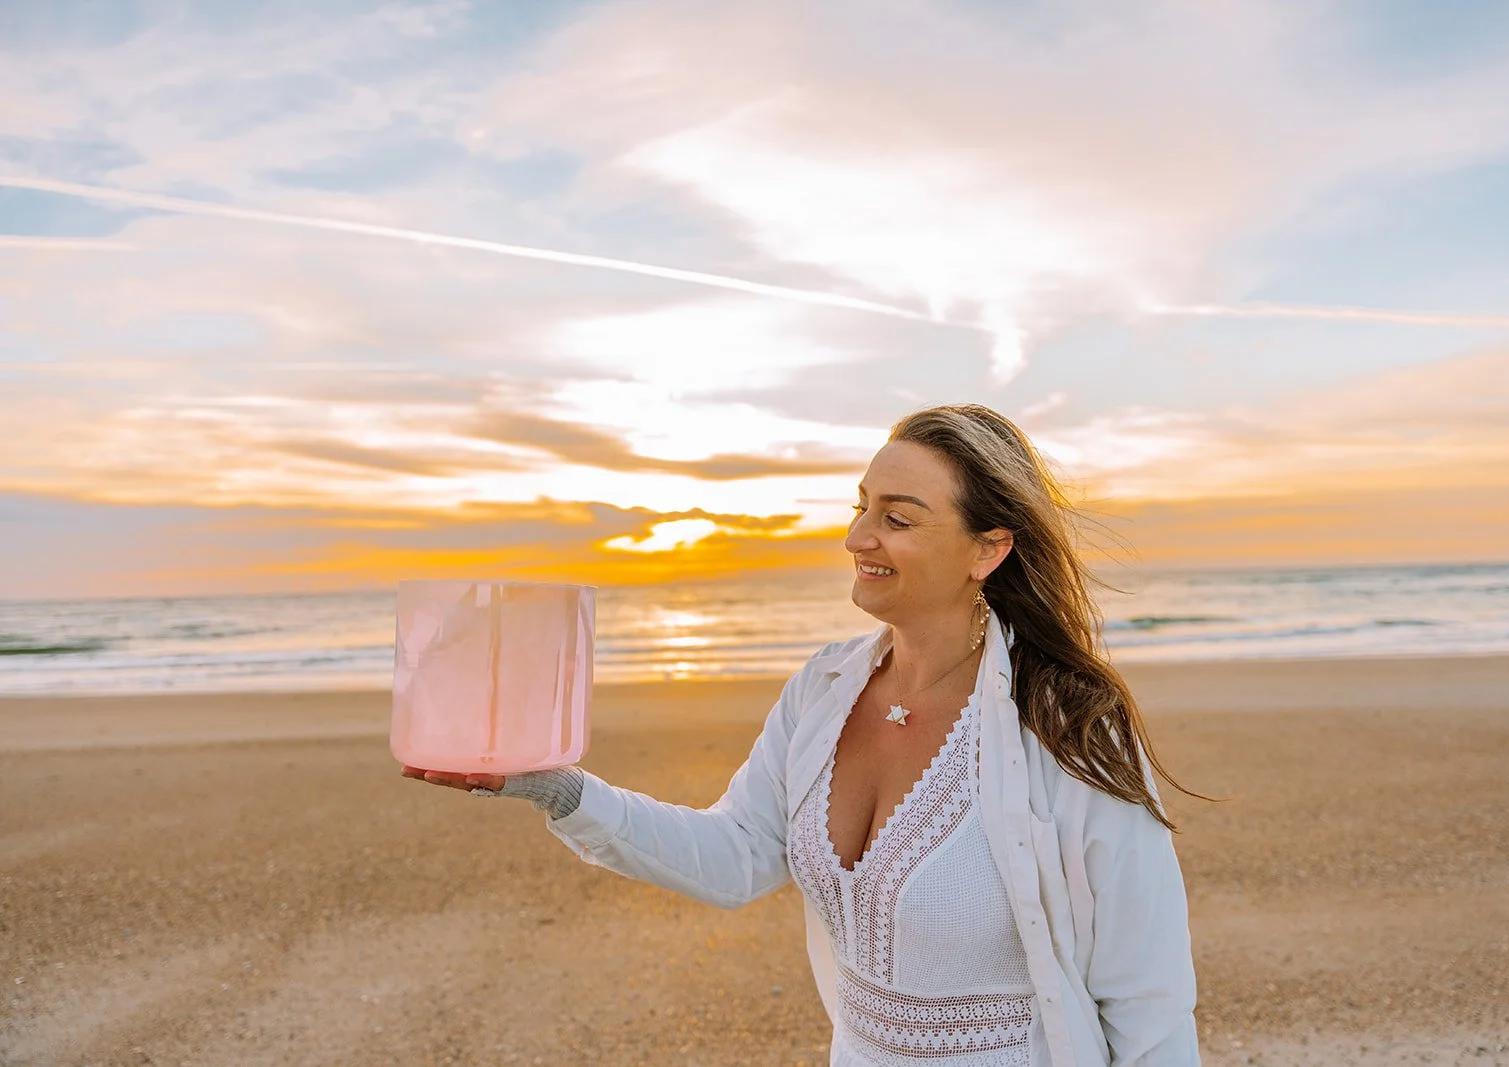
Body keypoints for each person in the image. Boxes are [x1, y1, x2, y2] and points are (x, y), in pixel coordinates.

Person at [404, 403, 1203, 1066]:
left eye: (897, 517)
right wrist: (559, 790)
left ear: (988, 549)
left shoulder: (1067, 722)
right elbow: (736, 854)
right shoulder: (823, 688)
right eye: (861, 507)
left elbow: (1148, 996)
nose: (858, 537)